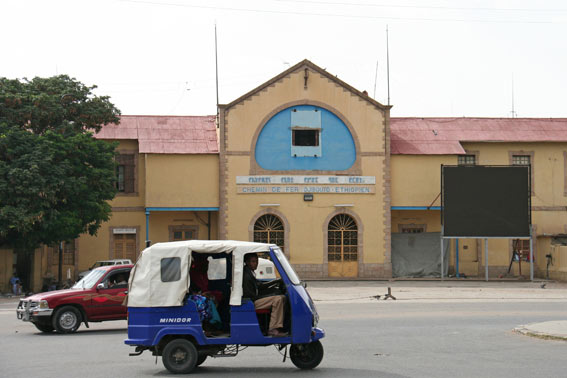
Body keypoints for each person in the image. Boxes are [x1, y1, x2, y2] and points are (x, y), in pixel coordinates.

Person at [242, 253, 287, 337]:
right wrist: (266, 295)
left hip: (253, 300)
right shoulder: (246, 275)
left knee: (283, 297)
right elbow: (252, 294)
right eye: (253, 261)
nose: (256, 264)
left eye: (256, 261)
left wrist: (276, 281)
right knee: (278, 299)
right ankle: (273, 329)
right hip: (250, 302)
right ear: (247, 262)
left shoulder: (250, 272)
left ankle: (280, 325)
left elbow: (259, 285)